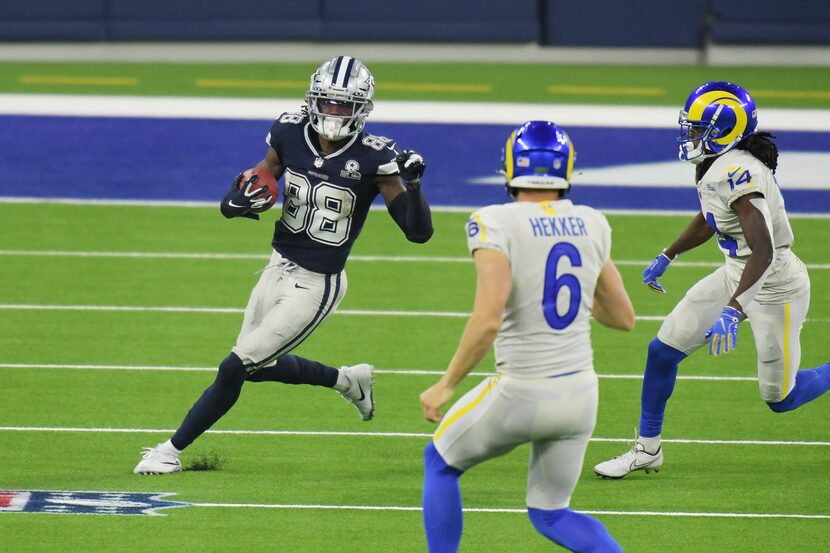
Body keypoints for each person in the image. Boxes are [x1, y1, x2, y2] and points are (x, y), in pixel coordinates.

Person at [134, 55, 433, 474]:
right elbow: (258, 177)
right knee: (257, 369)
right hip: (276, 266)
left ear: (361, 109)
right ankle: (347, 380)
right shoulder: (289, 132)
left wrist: (414, 185)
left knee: (234, 366)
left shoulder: (374, 158)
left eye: (342, 105)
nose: (332, 113)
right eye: (326, 103)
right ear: (312, 100)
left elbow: (418, 233)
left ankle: (168, 450)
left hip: (317, 284)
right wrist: (233, 201)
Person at [594, 81, 830, 480]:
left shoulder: (739, 173)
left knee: (780, 398)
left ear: (725, 130)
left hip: (775, 285)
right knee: (662, 351)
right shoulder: (715, 164)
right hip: (737, 273)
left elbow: (765, 251)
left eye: (697, 128)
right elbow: (712, 217)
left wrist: (734, 311)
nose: (689, 135)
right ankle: (647, 449)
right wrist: (670, 253)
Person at [419, 121, 634, 553]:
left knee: (440, 463)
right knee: (552, 514)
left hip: (522, 390)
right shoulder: (592, 222)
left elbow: (487, 320)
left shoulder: (494, 222)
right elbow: (622, 317)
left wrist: (446, 385)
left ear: (511, 168)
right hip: (580, 394)